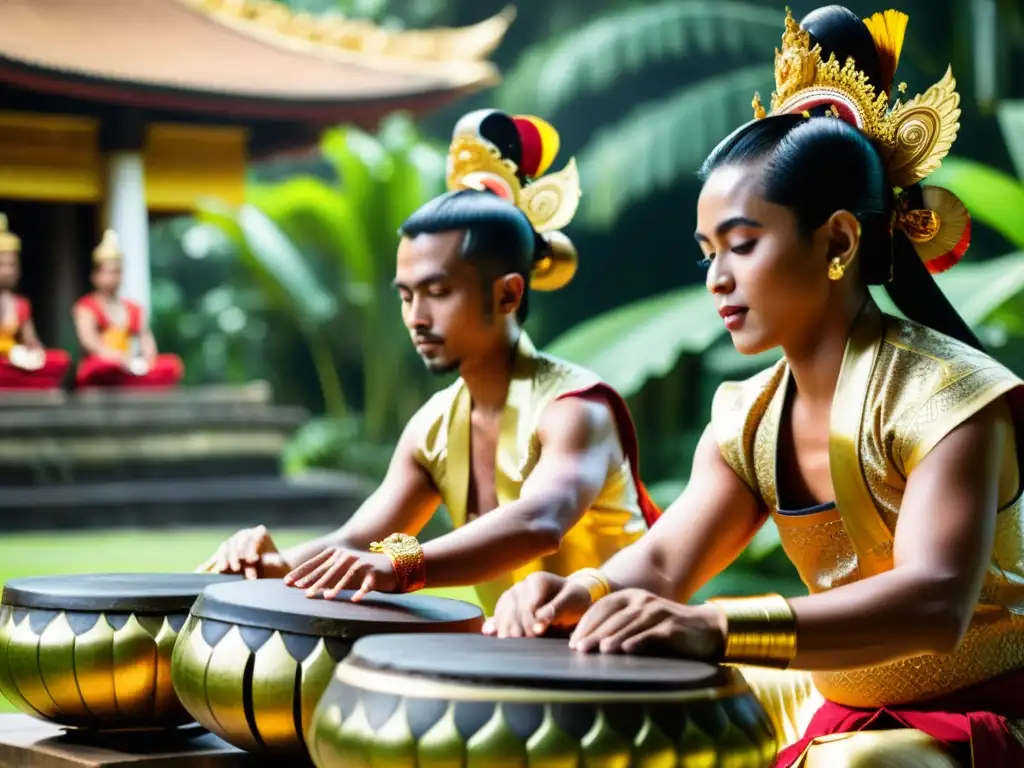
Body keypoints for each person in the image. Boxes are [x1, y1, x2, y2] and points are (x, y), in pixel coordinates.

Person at [484, 7, 1024, 767]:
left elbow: (936, 603)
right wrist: (586, 591)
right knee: (626, 693)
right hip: (839, 699)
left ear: (837, 240)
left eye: (742, 245)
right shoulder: (748, 415)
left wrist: (717, 625)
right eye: (708, 252)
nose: (717, 280)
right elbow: (668, 564)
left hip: (985, 715)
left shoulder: (952, 396)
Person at [197, 109, 660, 614]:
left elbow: (539, 523)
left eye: (438, 292)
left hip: (635, 657)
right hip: (528, 656)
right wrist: (276, 566)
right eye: (406, 295)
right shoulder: (435, 427)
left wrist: (402, 566)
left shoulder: (574, 409)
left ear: (508, 295)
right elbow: (364, 539)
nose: (416, 317)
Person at [72, 229, 184, 390]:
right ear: (95, 275)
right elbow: (89, 341)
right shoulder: (86, 306)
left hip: (128, 365)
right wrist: (114, 357)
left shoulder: (133, 308)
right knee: (105, 368)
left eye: (117, 272)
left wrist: (147, 360)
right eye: (108, 272)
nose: (114, 278)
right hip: (104, 364)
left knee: (171, 365)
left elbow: (147, 341)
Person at [0, 213, 71, 390]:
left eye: (12, 265)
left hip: (14, 362)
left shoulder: (21, 304)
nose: (8, 271)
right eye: (2, 264)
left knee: (59, 359)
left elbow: (30, 340)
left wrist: (35, 351)